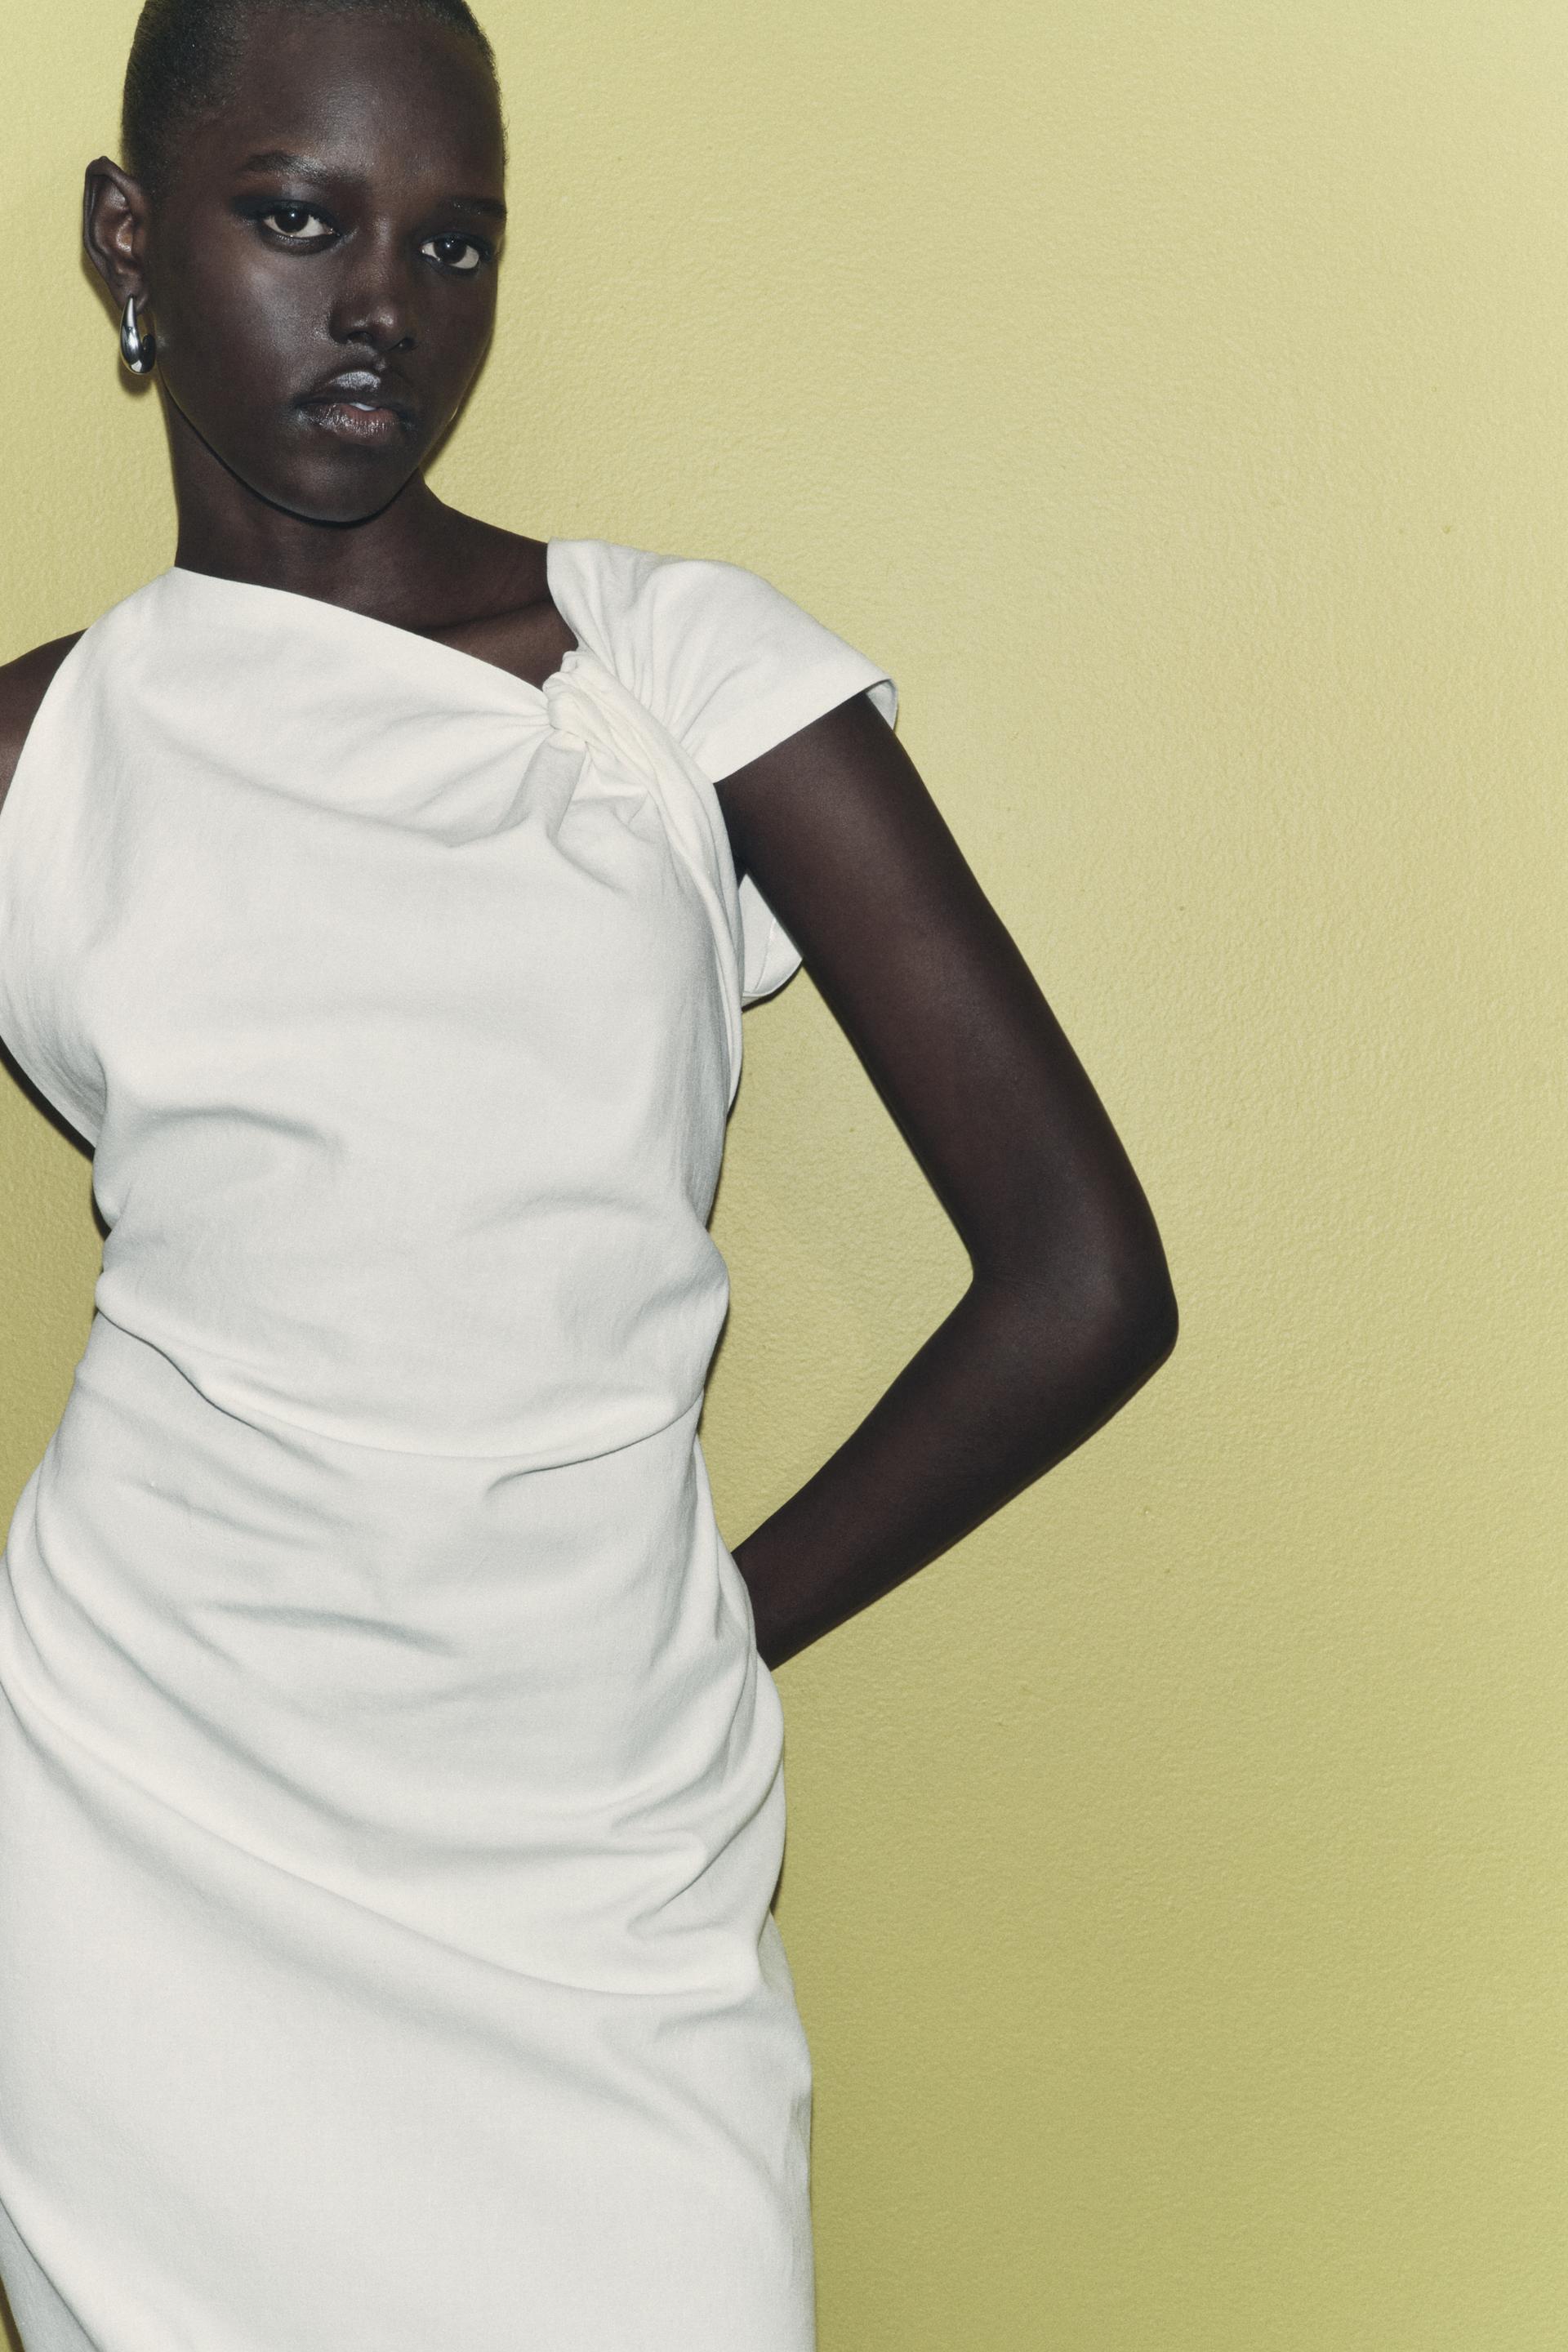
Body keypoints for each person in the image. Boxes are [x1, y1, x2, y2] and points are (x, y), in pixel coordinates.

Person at [0, 2, 1178, 2345]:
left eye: (453, 244)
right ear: (128, 239)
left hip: (599, 1853)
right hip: (130, 1813)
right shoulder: (37, 754)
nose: (383, 307)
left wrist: (706, 1632)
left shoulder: (672, 671)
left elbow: (1083, 1280)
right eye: (299, 219)